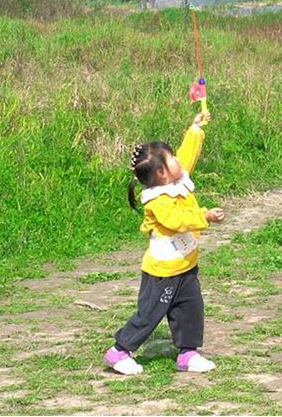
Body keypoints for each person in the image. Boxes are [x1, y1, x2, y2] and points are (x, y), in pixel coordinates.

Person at [104, 107, 225, 376]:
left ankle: (187, 354)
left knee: (190, 309)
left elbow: (188, 154)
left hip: (186, 266)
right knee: (149, 315)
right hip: (163, 273)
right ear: (160, 174)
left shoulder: (176, 179)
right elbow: (177, 220)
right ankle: (119, 351)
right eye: (171, 158)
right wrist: (203, 215)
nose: (177, 161)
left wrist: (195, 128)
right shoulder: (157, 201)